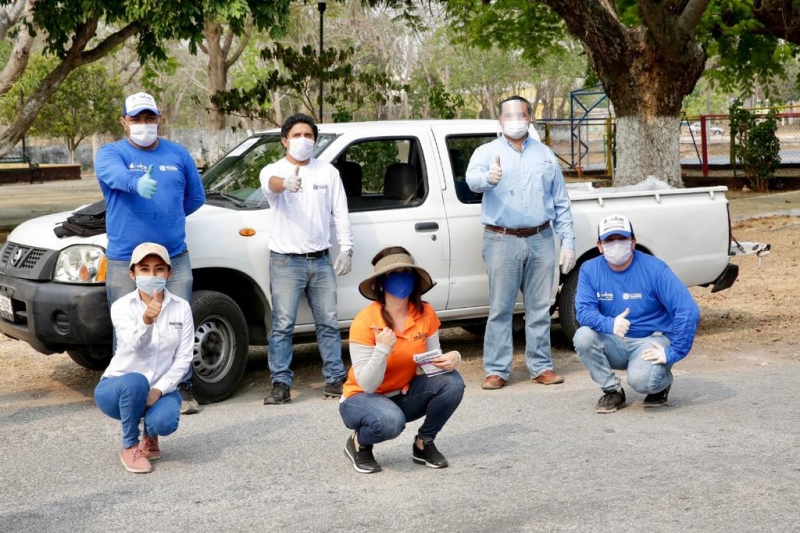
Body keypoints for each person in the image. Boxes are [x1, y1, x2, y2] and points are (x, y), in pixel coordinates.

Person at [95, 92, 205, 415]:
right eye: (137, 119)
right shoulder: (110, 153)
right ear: (124, 122)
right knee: (128, 328)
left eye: (150, 118)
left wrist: (166, 214)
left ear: (159, 119)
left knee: (177, 323)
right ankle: (125, 392)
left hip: (173, 258)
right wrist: (134, 183)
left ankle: (179, 390)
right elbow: (112, 175)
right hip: (125, 261)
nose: (144, 125)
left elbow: (195, 198)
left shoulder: (178, 154)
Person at [465, 95, 576, 390]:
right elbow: (472, 180)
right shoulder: (486, 152)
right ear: (500, 120)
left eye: (521, 114)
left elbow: (560, 201)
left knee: (540, 308)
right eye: (509, 115)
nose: (515, 120)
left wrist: (568, 241)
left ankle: (541, 366)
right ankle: (496, 370)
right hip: (502, 239)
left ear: (529, 118)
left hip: (541, 238)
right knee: (500, 309)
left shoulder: (545, 155)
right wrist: (489, 178)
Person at [339, 246, 465, 473]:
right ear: (380, 283)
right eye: (393, 273)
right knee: (390, 423)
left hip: (401, 393)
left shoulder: (425, 312)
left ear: (415, 279)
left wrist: (454, 358)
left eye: (406, 272)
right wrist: (382, 350)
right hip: (361, 398)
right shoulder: (364, 320)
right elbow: (367, 384)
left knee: (452, 382)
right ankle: (359, 443)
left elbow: (432, 363)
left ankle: (423, 443)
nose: (401, 278)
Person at [259, 113, 354, 405]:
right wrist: (284, 183)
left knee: (328, 322)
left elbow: (340, 211)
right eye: (297, 135)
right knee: (283, 324)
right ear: (284, 140)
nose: (303, 140)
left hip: (321, 259)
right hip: (286, 261)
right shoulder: (273, 170)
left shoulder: (328, 172)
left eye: (308, 135)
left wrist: (346, 248)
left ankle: (335, 379)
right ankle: (280, 384)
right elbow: (270, 184)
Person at [573, 214, 701, 413]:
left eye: (622, 239)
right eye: (609, 240)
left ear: (633, 242)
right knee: (582, 336)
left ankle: (661, 383)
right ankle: (612, 391)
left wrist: (674, 351)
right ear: (599, 245)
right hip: (614, 339)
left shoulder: (655, 268)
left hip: (650, 341)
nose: (616, 245)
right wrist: (610, 324)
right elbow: (583, 311)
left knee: (643, 382)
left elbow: (687, 309)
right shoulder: (589, 269)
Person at [94, 243, 194, 473]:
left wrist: (159, 389)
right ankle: (129, 445)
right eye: (144, 269)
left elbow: (184, 357)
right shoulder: (122, 306)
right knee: (136, 380)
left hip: (159, 391)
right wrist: (147, 321)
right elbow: (134, 344)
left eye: (159, 269)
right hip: (119, 388)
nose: (152, 275)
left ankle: (151, 434)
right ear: (132, 274)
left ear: (169, 273)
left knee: (165, 421)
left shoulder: (182, 308)